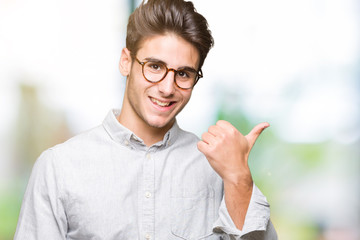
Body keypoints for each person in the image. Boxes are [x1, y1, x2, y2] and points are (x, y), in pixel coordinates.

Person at [14, 0, 278, 239]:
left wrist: (239, 178)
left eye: (184, 74)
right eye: (155, 66)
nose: (167, 88)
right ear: (126, 62)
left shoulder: (219, 170)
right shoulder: (59, 169)